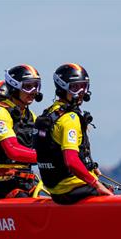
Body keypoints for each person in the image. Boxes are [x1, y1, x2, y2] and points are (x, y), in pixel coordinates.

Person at [34, 63, 113, 205]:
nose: (81, 91)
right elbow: (71, 161)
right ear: (62, 87)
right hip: (73, 190)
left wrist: (90, 167)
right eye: (75, 87)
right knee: (110, 193)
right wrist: (96, 184)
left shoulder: (51, 112)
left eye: (84, 86)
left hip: (57, 191)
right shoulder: (70, 119)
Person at [0, 64, 43, 200]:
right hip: (0, 184)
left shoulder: (33, 117)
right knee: (24, 199)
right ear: (14, 86)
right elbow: (12, 150)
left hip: (27, 182)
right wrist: (49, 157)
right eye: (28, 86)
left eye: (36, 86)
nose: (34, 91)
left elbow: (45, 147)